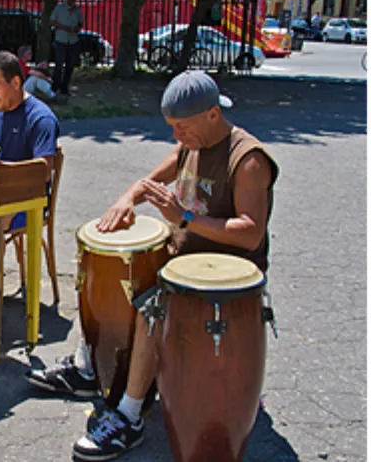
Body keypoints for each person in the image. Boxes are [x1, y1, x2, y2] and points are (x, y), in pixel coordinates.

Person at [26, 70, 279, 461]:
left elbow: (250, 233)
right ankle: (89, 365)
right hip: (181, 259)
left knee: (150, 307)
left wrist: (185, 218)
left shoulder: (247, 160)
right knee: (113, 268)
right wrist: (125, 200)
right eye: (172, 127)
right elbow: (147, 184)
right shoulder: (190, 146)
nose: (176, 137)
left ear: (212, 114)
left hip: (222, 278)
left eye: (182, 127)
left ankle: (129, 415)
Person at [0, 50, 59, 233]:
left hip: (28, 201)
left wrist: (4, 171)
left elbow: (43, 172)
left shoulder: (41, 118)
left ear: (15, 83)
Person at [51, 0, 84, 96]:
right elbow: (52, 21)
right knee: (58, 65)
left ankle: (65, 87)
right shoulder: (59, 8)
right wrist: (64, 27)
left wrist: (77, 29)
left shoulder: (77, 10)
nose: (69, 0)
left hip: (73, 40)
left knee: (70, 66)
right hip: (61, 39)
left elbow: (80, 23)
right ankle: (55, 87)